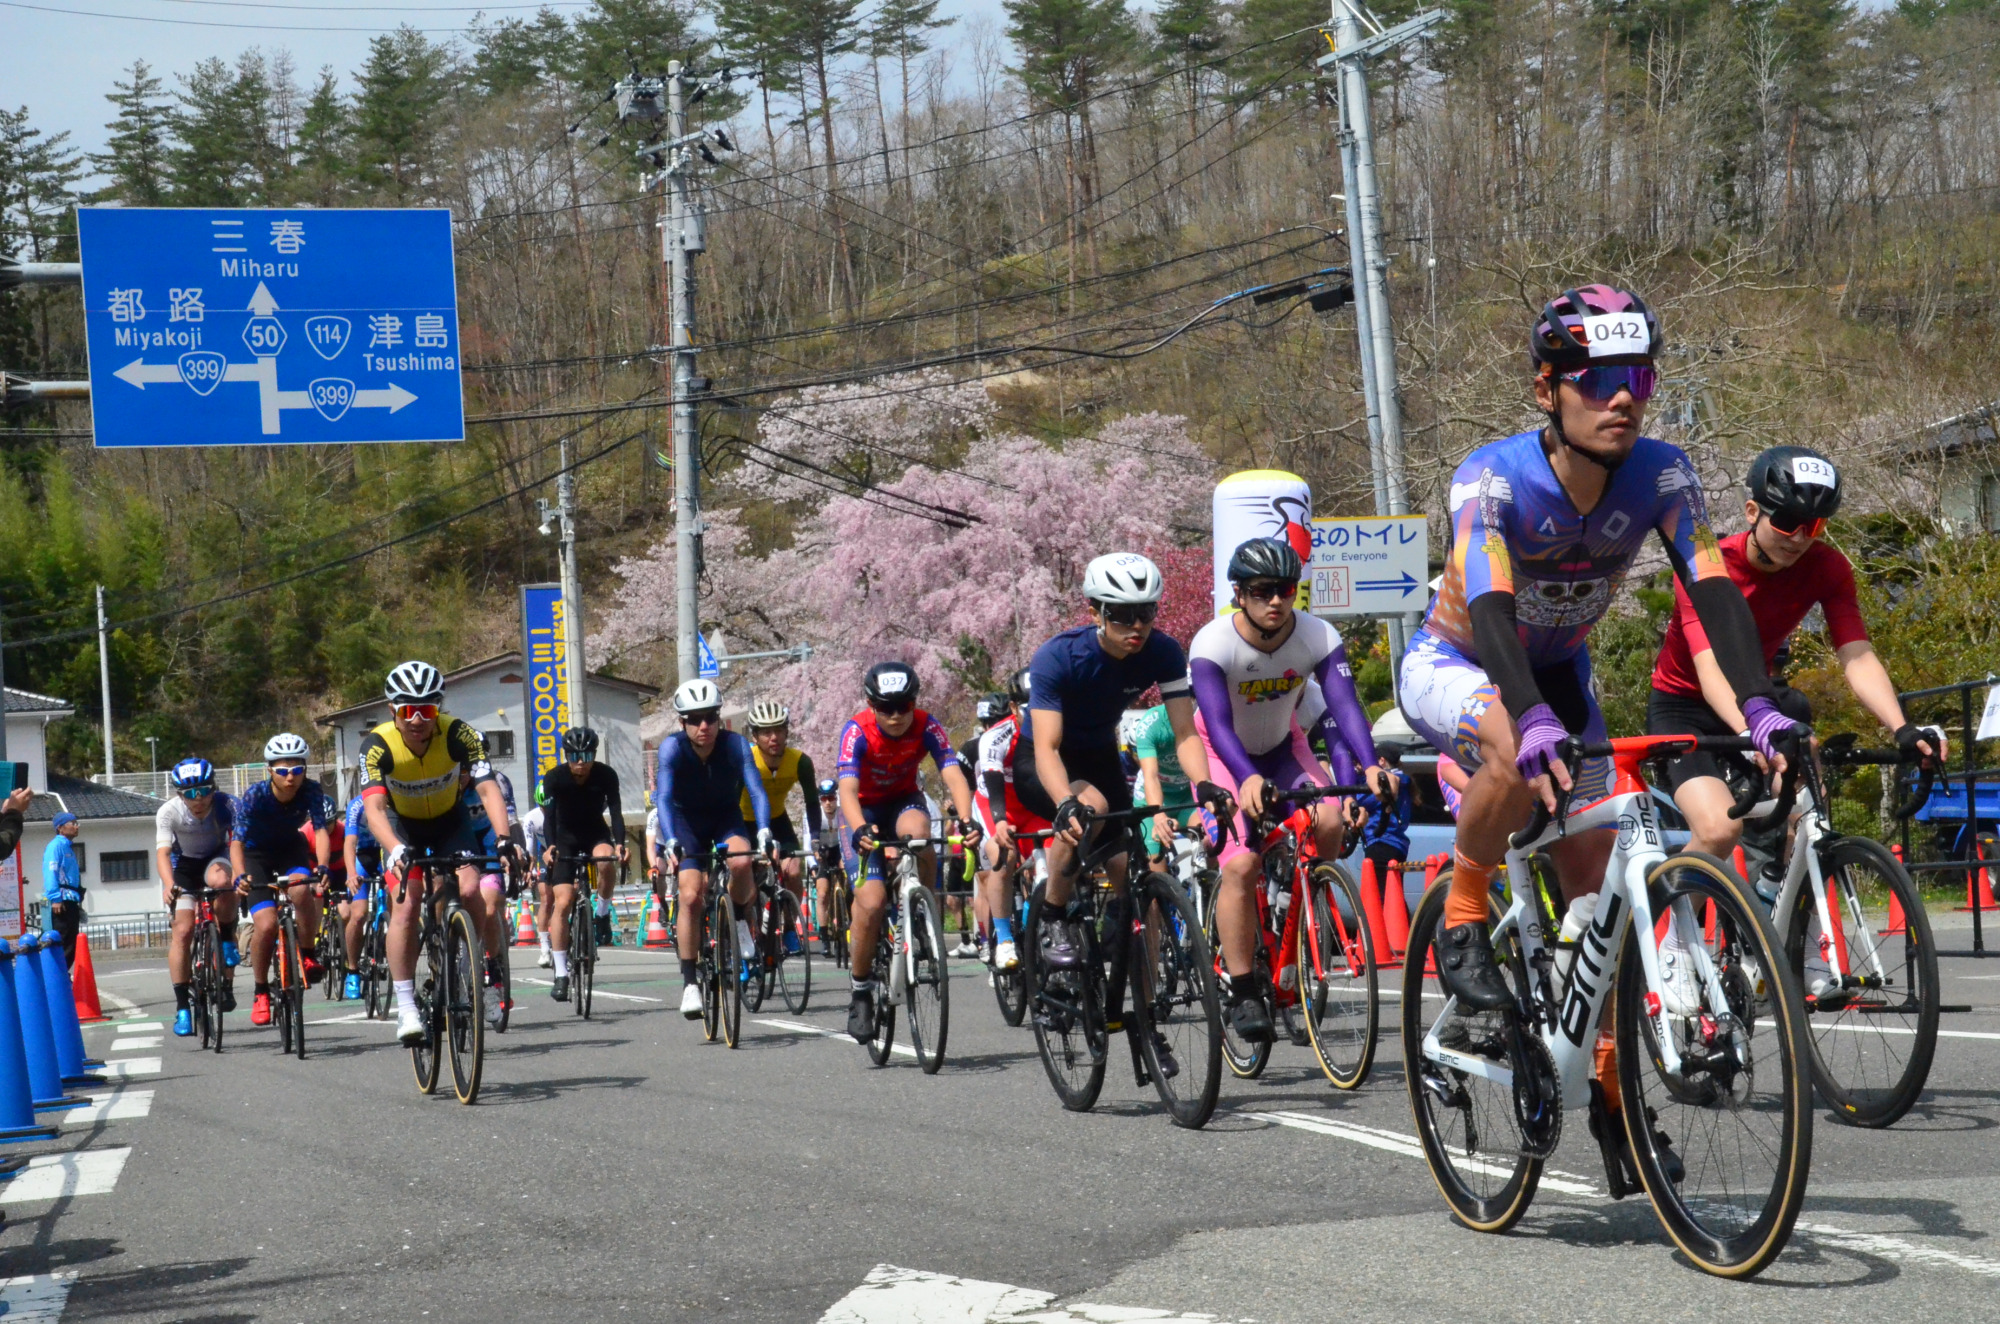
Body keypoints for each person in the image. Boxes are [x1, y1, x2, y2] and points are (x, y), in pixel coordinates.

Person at [1398, 285, 1800, 1161]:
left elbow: (1714, 588)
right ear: (1547, 388)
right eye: (1597, 376)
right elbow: (1496, 611)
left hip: (1562, 678)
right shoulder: (1493, 476)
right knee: (1509, 738)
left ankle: (1615, 1098)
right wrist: (1531, 715)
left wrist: (1758, 702)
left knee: (1599, 902)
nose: (1623, 395)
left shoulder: (1662, 471)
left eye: (1640, 376)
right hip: (1463, 665)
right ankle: (1464, 916)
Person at [1648, 446, 1946, 902]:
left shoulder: (1826, 567)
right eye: (1787, 521)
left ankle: (1782, 902)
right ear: (1752, 511)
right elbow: (1709, 670)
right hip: (1684, 705)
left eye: (1816, 526)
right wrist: (1755, 732)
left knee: (1812, 812)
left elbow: (1857, 653)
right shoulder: (1708, 564)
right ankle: (1666, 940)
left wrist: (1901, 726)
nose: (1799, 537)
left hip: (1760, 695)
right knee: (1717, 831)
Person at [999, 553, 1226, 1016]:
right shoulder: (1059, 656)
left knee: (1134, 878)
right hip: (1045, 760)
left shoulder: (1163, 652)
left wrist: (1204, 784)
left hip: (1100, 756)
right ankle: (1056, 917)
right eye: (1121, 614)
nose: (1135, 625)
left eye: (1146, 612)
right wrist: (1064, 802)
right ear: (1094, 612)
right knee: (1089, 807)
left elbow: (1185, 733)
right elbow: (1046, 748)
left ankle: (1144, 1015)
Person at [1188, 536, 1386, 1042]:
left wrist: (1368, 767)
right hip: (1223, 753)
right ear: (1239, 593)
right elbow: (1216, 722)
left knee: (1329, 819)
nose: (1276, 600)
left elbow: (1343, 706)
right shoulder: (1213, 643)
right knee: (1239, 864)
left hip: (1282, 746)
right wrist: (1246, 778)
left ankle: (1301, 910)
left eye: (1286, 589)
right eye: (1262, 590)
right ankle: (1244, 987)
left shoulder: (1317, 634)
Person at [358, 661, 517, 1043]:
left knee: (469, 887)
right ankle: (407, 1006)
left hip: (449, 820)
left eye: (426, 710)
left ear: (438, 709)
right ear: (391, 709)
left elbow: (487, 788)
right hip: (401, 826)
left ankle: (474, 966)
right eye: (406, 710)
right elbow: (375, 809)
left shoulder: (460, 734)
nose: (416, 720)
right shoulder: (376, 745)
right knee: (408, 903)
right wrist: (394, 849)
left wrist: (503, 837)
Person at [835, 661, 980, 1042]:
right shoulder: (857, 730)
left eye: (905, 705)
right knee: (870, 901)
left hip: (903, 800)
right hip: (863, 809)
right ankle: (862, 989)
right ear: (870, 704)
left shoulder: (927, 725)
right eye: (886, 707)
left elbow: (952, 772)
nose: (897, 715)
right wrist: (859, 828)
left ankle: (923, 913)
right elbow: (846, 791)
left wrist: (966, 821)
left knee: (919, 834)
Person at [656, 678, 772, 1020]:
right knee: (691, 896)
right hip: (686, 821)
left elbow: (756, 792)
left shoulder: (736, 745)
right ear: (682, 723)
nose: (703, 725)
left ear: (720, 718)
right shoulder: (671, 749)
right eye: (694, 719)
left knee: (741, 862)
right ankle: (690, 983)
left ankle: (737, 921)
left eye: (710, 717)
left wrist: (763, 830)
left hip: (725, 816)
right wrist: (670, 838)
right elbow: (662, 796)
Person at [229, 734, 332, 1028]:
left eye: (297, 770)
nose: (291, 777)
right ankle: (261, 990)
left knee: (303, 891)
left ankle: (308, 953)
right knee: (266, 924)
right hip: (255, 855)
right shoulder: (255, 795)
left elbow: (320, 830)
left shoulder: (311, 791)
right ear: (270, 770)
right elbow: (236, 841)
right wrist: (239, 875)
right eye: (283, 770)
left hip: (290, 848)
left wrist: (322, 866)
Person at [541, 726, 627, 1001]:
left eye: (588, 755)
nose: (582, 761)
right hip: (564, 837)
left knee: (605, 860)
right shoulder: (554, 777)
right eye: (575, 755)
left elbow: (615, 811)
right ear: (567, 755)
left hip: (594, 833)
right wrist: (551, 846)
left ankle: (601, 914)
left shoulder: (605, 775)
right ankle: (561, 973)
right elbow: (549, 817)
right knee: (563, 902)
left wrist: (620, 844)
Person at [156, 758, 239, 1034]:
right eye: (190, 794)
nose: (199, 799)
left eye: (204, 791)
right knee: (182, 930)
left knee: (224, 883)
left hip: (216, 858)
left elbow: (241, 844)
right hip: (184, 866)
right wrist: (169, 884)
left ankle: (226, 938)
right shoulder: (169, 812)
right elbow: (163, 853)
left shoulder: (228, 805)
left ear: (214, 787)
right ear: (180, 794)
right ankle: (182, 1007)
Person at [740, 700, 824, 955]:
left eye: (779, 730)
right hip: (744, 820)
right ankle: (748, 929)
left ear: (788, 731)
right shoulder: (746, 758)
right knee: (745, 877)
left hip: (777, 819)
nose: (774, 737)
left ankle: (789, 926)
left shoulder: (800, 761)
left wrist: (816, 839)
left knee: (793, 870)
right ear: (754, 736)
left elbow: (811, 803)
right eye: (766, 732)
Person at [975, 669, 1044, 972]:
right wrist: (1000, 821)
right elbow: (991, 780)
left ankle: (1042, 917)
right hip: (998, 802)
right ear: (1014, 708)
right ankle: (1003, 939)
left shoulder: (1057, 726)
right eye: (1029, 710)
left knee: (1058, 856)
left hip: (1035, 801)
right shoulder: (996, 736)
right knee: (1004, 855)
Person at [340, 790, 383, 1000]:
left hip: (388, 853)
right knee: (358, 915)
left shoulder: (394, 797)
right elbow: (349, 842)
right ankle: (353, 970)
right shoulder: (357, 804)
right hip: (364, 855)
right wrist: (351, 873)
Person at [1355, 743, 1414, 888]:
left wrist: (1357, 779)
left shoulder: (1386, 785)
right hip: (1398, 844)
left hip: (1381, 842)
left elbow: (1360, 800)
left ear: (1381, 761)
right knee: (1394, 895)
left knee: (1379, 896)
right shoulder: (1404, 781)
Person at [42, 810, 85, 967]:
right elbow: (50, 871)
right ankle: (58, 975)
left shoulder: (68, 847)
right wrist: (55, 898)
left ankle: (63, 973)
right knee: (63, 940)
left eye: (76, 823)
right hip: (62, 899)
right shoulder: (56, 846)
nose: (76, 826)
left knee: (71, 941)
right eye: (72, 824)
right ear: (60, 828)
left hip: (71, 898)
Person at [521, 784, 551, 967]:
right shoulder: (532, 818)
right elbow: (529, 849)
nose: (545, 810)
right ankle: (545, 949)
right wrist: (529, 869)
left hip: (564, 848)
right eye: (542, 806)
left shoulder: (563, 810)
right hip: (544, 852)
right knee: (546, 899)